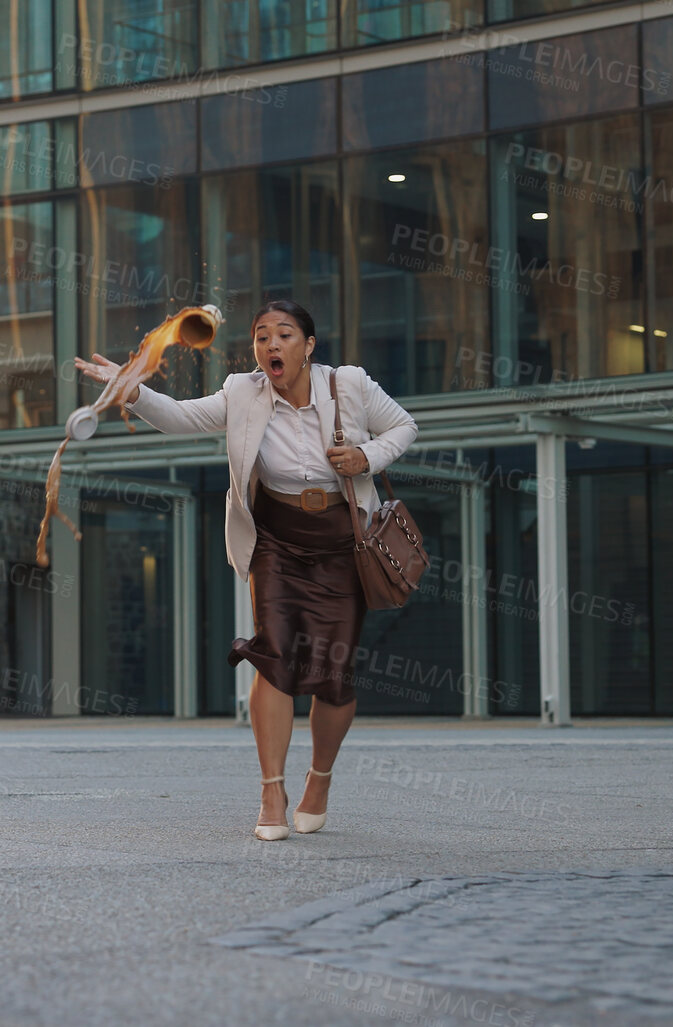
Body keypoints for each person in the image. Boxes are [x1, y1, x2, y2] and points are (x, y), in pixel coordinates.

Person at [75, 299, 418, 841]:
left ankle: (319, 780)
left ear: (309, 346)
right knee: (274, 654)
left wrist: (367, 457)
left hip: (340, 545)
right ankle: (271, 789)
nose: (271, 345)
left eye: (284, 335)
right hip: (277, 542)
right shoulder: (243, 391)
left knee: (334, 674)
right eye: (262, 336)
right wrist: (132, 389)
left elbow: (403, 426)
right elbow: (181, 418)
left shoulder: (348, 385)